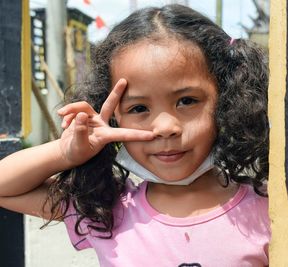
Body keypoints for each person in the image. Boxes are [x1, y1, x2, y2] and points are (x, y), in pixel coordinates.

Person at [0, 4, 270, 266]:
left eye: (187, 101)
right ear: (113, 117)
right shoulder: (106, 210)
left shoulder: (269, 208)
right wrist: (65, 153)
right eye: (139, 108)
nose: (165, 127)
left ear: (228, 100)